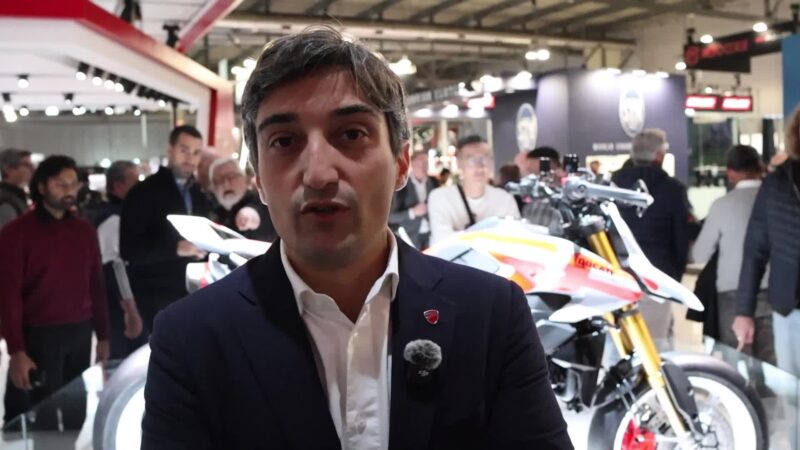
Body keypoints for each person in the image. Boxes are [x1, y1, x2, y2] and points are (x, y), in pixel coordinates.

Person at [142, 27, 571, 450]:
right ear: (258, 177)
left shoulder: (492, 316)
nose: (318, 174)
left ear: (401, 162)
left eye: (351, 135)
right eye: (284, 141)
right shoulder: (191, 340)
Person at [0, 155, 110, 427]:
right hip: (39, 334)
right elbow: (9, 294)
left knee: (76, 414)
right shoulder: (16, 233)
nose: (69, 190)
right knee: (39, 418)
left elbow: (96, 284)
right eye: (60, 184)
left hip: (79, 331)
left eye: (73, 184)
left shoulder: (84, 231)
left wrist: (104, 335)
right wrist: (16, 350)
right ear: (42, 187)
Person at [120, 125, 213, 333]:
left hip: (195, 291)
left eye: (196, 152)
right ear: (170, 150)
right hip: (155, 296)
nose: (190, 158)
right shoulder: (142, 193)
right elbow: (130, 249)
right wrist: (176, 248)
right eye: (184, 150)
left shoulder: (199, 193)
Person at [691, 145, 774, 363]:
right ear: (761, 168)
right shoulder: (776, 201)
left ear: (730, 173)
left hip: (732, 293)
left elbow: (699, 254)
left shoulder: (722, 205)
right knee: (774, 364)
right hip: (774, 291)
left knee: (736, 362)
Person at [734, 107, 800, 376]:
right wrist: (744, 311)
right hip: (789, 309)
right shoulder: (776, 184)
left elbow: (755, 251)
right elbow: (755, 251)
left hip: (788, 308)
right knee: (793, 390)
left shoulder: (775, 183)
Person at [611, 129, 689, 345]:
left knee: (620, 343)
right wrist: (675, 278)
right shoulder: (672, 189)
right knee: (656, 344)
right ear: (659, 155)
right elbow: (680, 239)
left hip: (618, 276)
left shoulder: (611, 186)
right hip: (658, 277)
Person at [92, 161, 146, 360]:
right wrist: (130, 310)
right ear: (118, 185)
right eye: (135, 181)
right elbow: (115, 266)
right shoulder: (113, 218)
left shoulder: (122, 213)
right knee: (122, 363)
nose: (140, 187)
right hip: (118, 308)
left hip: (124, 303)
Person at [427, 135, 521, 246]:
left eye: (485, 159)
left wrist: (461, 236)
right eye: (471, 160)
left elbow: (514, 241)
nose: (480, 166)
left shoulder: (505, 200)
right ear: (459, 163)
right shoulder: (440, 198)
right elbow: (442, 242)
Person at [209, 157, 277, 241]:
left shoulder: (260, 201)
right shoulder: (213, 211)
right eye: (218, 180)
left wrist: (249, 217)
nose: (225, 183)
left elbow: (257, 213)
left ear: (245, 179)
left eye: (231, 177)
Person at [388, 151, 439, 249]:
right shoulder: (401, 186)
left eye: (426, 163)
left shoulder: (434, 182)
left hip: (432, 234)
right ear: (412, 164)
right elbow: (390, 217)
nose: (423, 167)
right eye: (420, 163)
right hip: (410, 237)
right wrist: (412, 212)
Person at [0, 148, 33, 229]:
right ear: (8, 169)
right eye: (26, 165)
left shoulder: (17, 196)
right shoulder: (6, 200)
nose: (31, 169)